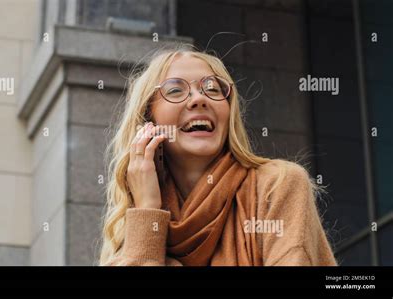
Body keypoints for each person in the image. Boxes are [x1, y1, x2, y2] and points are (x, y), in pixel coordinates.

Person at [99, 45, 337, 266]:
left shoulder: (278, 185)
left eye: (212, 88)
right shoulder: (132, 232)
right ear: (147, 122)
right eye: (175, 90)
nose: (199, 99)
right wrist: (148, 210)